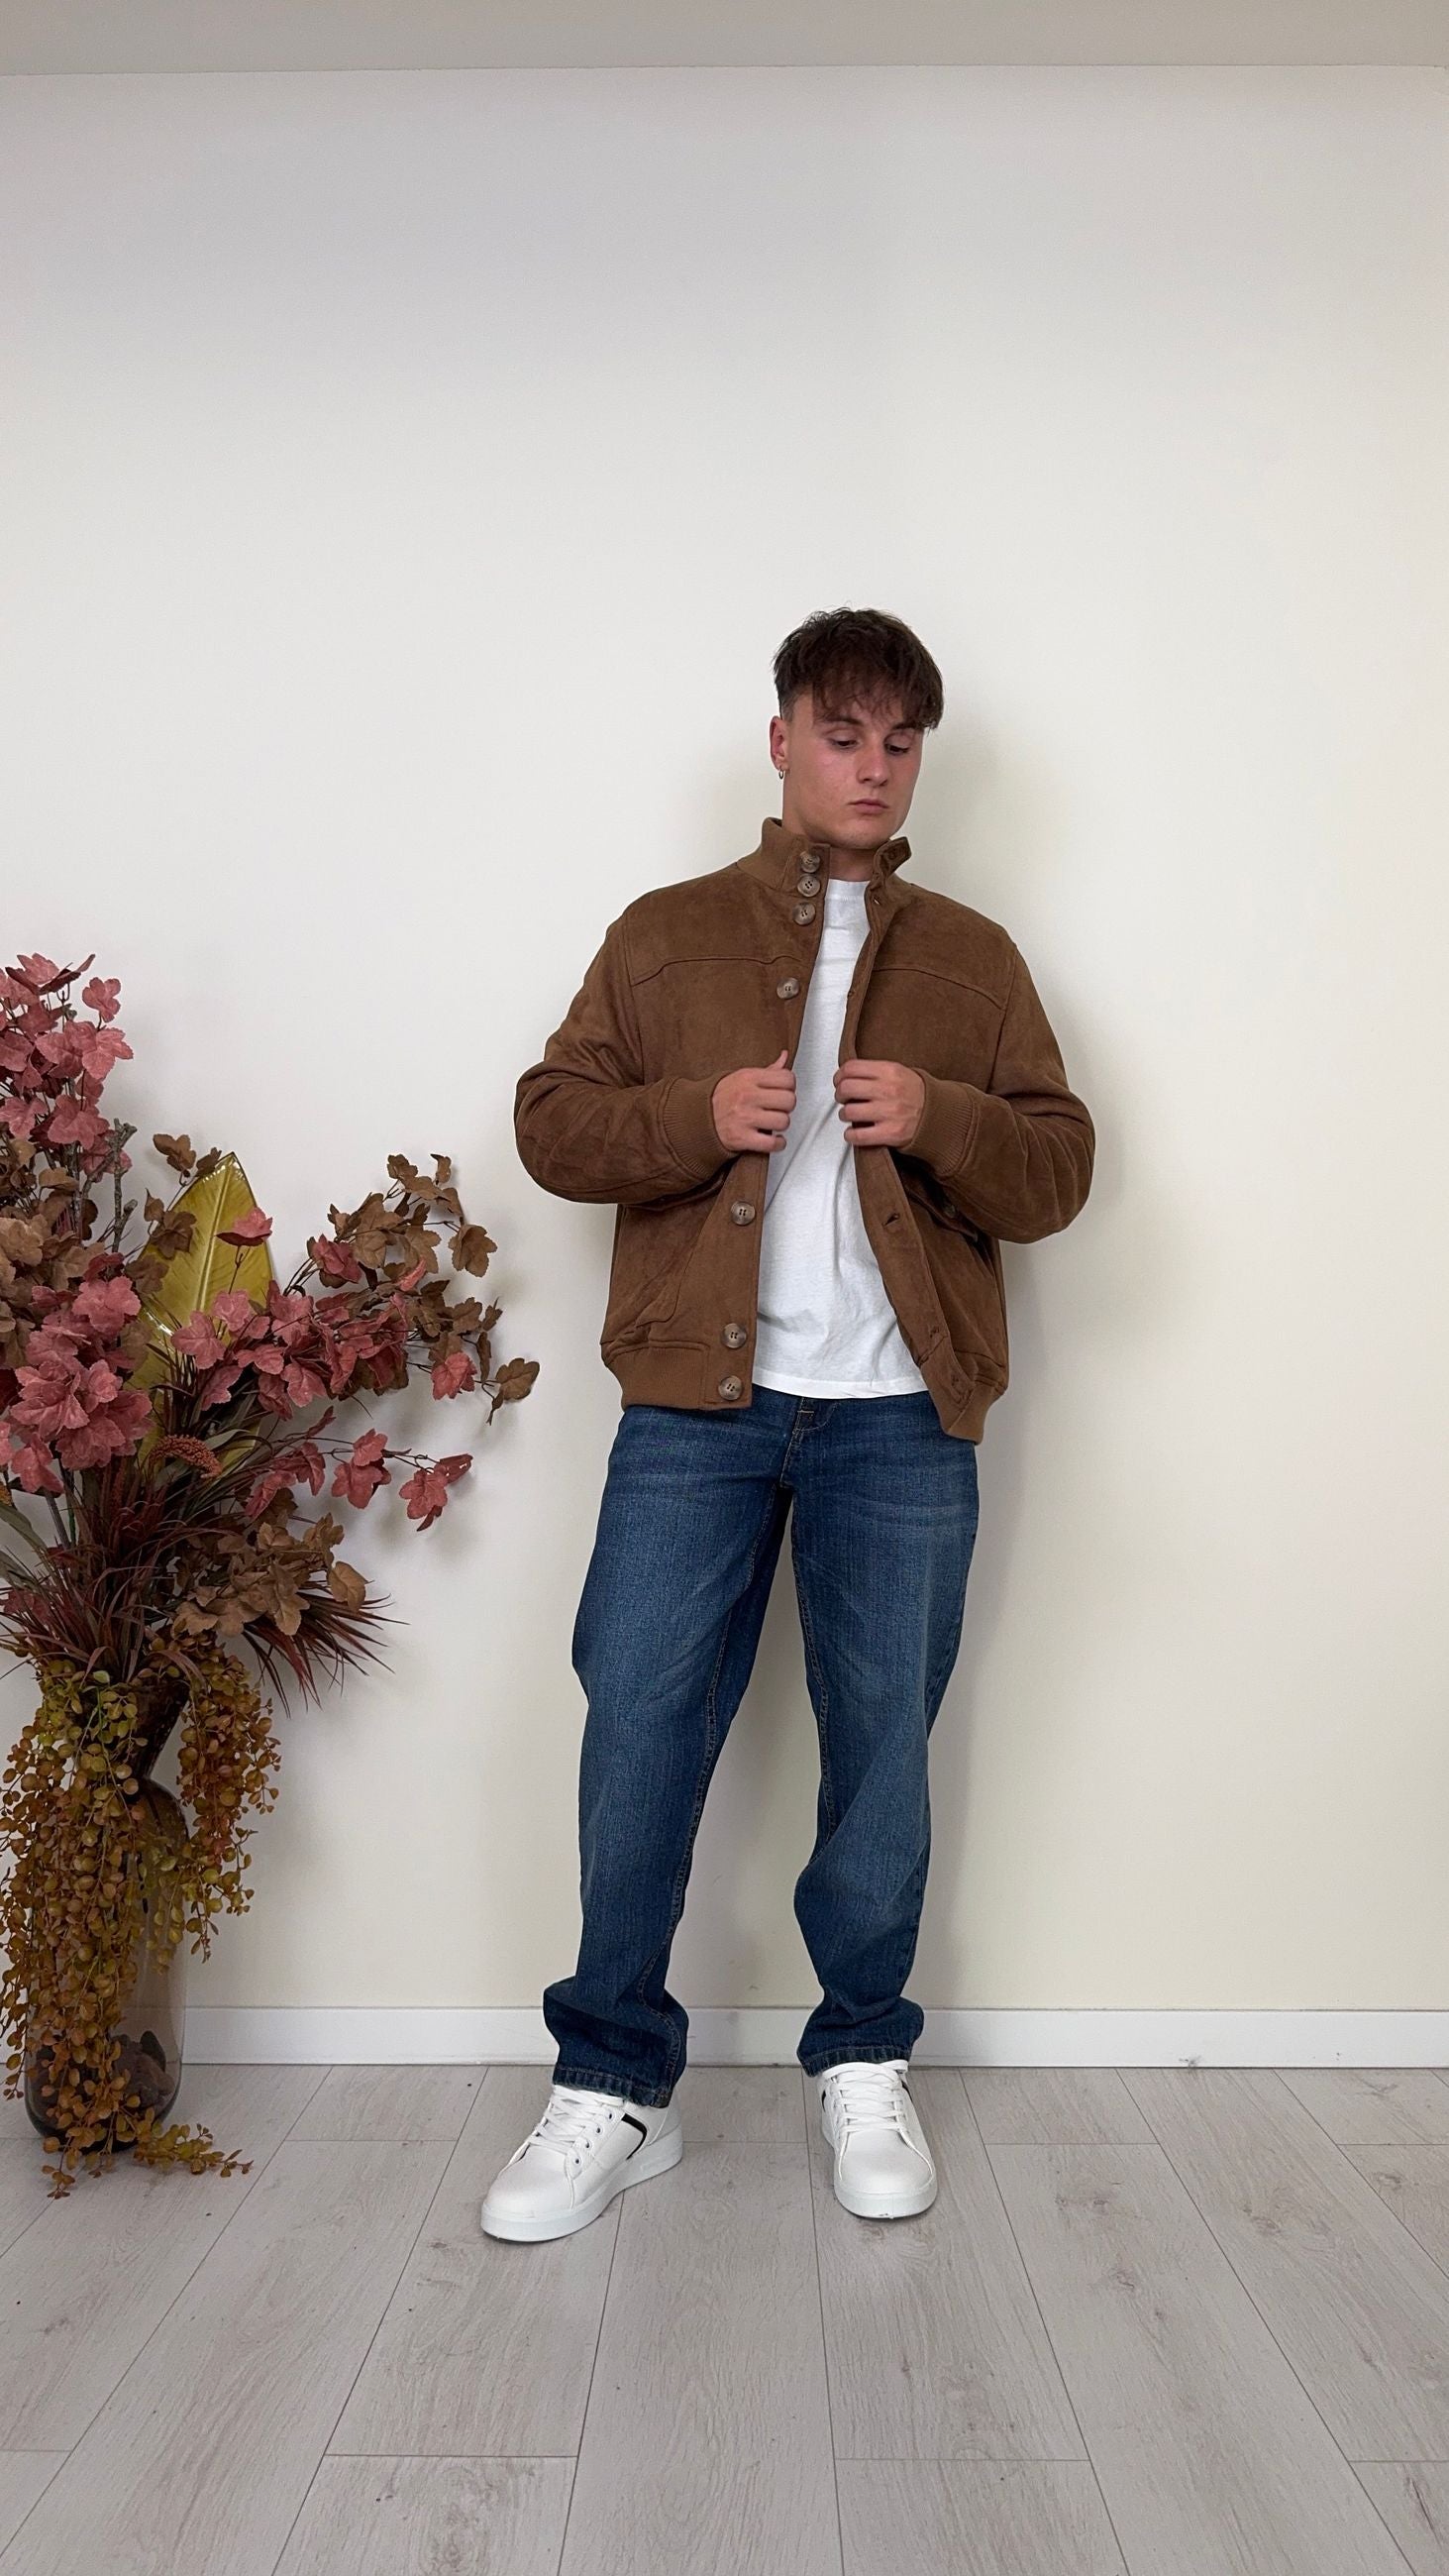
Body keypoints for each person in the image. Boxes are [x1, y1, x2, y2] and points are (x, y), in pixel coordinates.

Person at [483, 606, 1094, 2241]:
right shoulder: (667, 933)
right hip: (698, 1409)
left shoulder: (974, 957)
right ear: (781, 741)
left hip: (900, 1415)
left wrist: (943, 1116)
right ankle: (612, 2082)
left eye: (901, 741)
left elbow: (1059, 1168)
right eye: (843, 734)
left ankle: (863, 2056)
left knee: (882, 1742)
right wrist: (694, 1117)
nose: (874, 767)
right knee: (638, 1718)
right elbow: (550, 1123)